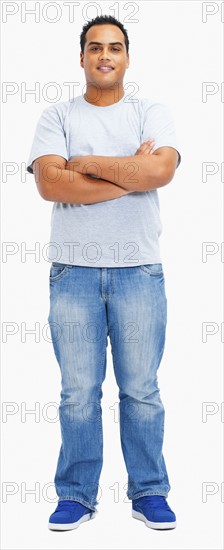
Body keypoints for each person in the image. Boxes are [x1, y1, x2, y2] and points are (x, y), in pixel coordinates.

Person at [26, 14, 181, 532]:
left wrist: (85, 165)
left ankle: (149, 492)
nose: (105, 55)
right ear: (82, 58)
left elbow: (160, 171)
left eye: (115, 47)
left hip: (139, 271)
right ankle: (76, 495)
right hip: (73, 273)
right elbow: (51, 185)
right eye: (96, 48)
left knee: (141, 389)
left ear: (127, 57)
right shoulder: (57, 115)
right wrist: (126, 175)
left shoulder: (150, 112)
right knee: (77, 391)